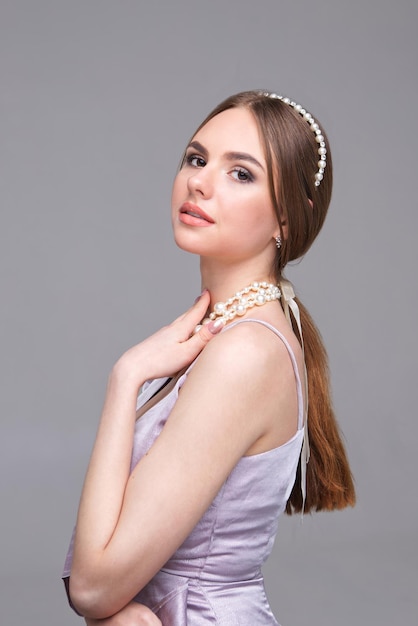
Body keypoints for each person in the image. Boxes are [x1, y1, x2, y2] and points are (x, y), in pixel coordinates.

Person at [62, 90, 355, 625]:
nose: (198, 181)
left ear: (287, 220)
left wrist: (124, 378)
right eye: (197, 159)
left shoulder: (245, 353)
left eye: (240, 173)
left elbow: (92, 587)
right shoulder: (231, 336)